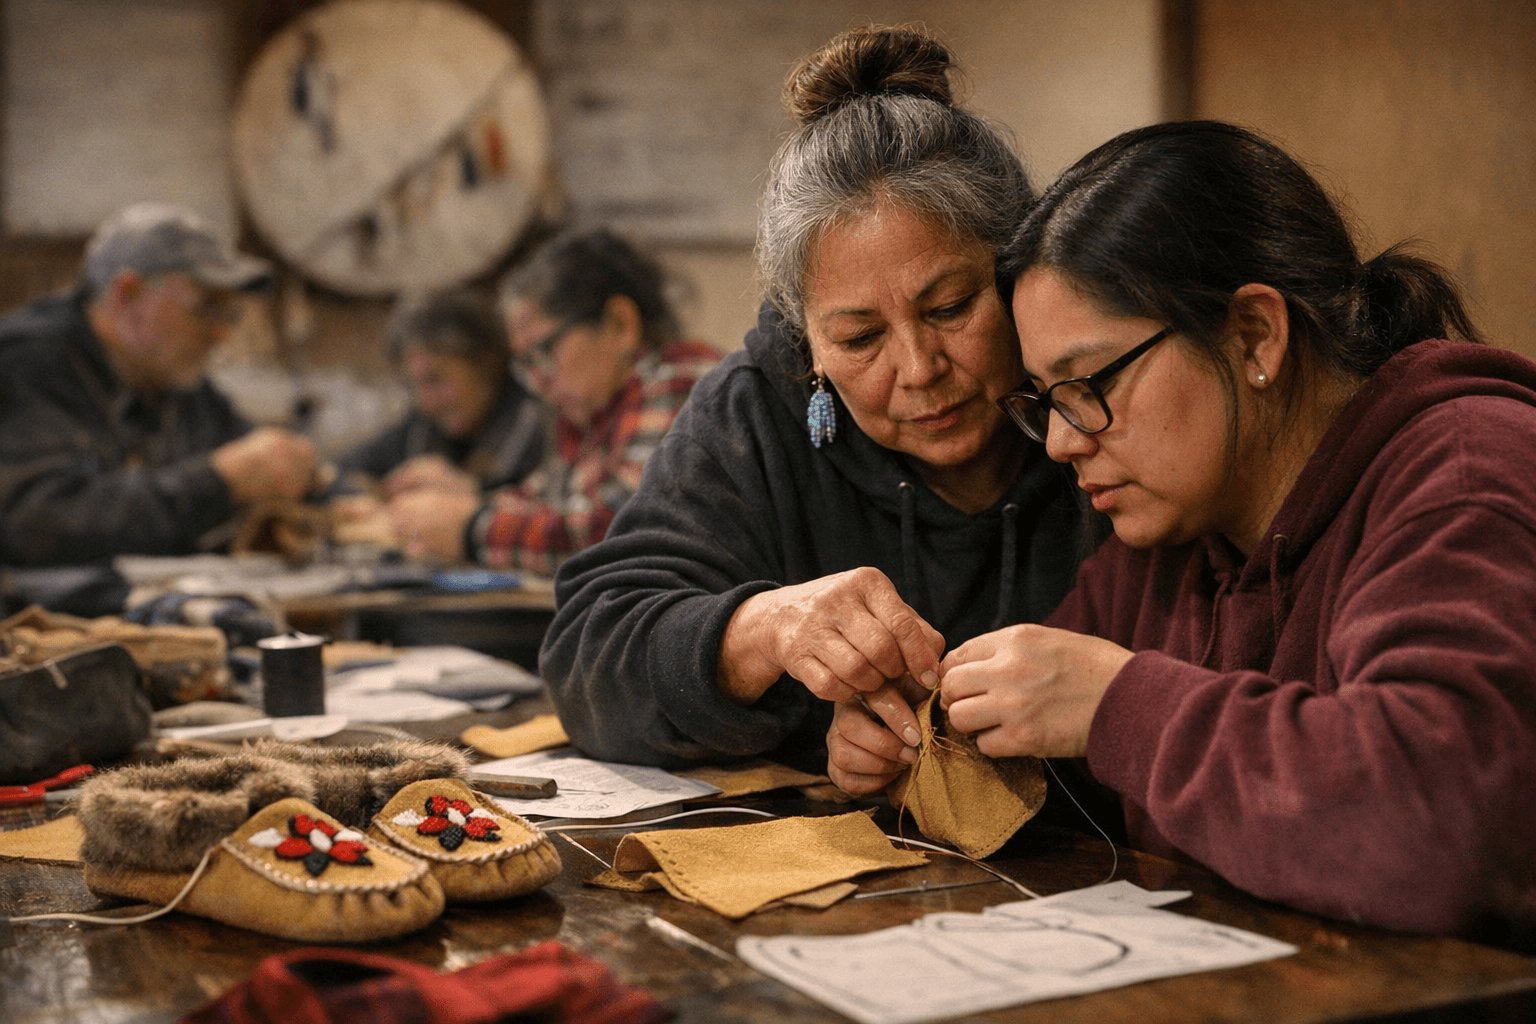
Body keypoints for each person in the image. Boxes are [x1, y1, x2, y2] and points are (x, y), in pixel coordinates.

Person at [870, 120, 1534, 940]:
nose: (1061, 440)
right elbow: (1055, 776)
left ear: (1254, 334)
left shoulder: (1467, 475)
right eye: (1043, 398)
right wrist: (916, 741)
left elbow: (1438, 831)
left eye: (1087, 383)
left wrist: (1118, 705)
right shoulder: (1175, 529)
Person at [539, 26, 1094, 777]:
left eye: (952, 307)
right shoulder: (755, 413)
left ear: (1018, 268)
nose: (919, 368)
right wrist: (760, 630)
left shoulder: (1094, 411)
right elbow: (587, 658)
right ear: (809, 344)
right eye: (860, 337)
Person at [0, 202, 318, 567]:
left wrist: (324, 486)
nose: (220, 334)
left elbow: (252, 449)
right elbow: (41, 525)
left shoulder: (171, 377)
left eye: (229, 314)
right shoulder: (29, 364)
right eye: (205, 307)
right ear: (127, 294)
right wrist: (216, 484)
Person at [384, 227, 718, 573]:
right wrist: (462, 506)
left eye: (544, 351)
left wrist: (472, 528)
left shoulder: (683, 384)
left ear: (620, 324)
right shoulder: (600, 414)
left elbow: (618, 532)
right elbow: (547, 501)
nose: (539, 379)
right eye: (526, 363)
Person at [328, 289, 545, 524]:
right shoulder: (421, 427)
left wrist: (472, 497)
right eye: (414, 386)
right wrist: (379, 493)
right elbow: (336, 475)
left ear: (486, 360)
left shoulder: (540, 425)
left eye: (435, 379)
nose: (425, 402)